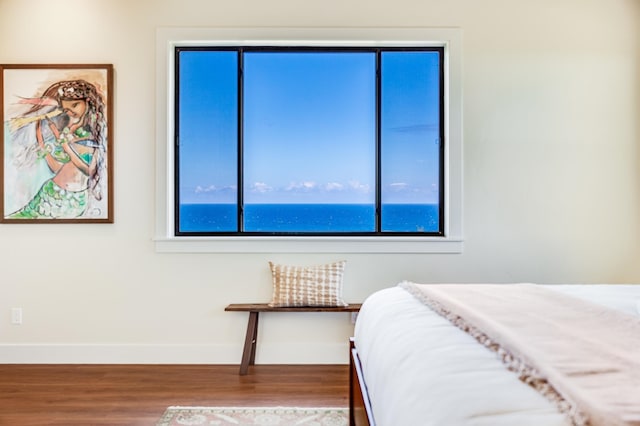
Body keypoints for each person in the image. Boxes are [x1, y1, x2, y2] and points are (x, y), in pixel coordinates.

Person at [7, 79, 107, 219]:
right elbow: (59, 170)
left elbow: (90, 170)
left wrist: (66, 147)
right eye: (66, 110)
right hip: (52, 193)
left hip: (74, 200)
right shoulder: (70, 129)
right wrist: (41, 141)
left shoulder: (96, 133)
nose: (71, 112)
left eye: (75, 105)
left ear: (88, 102)